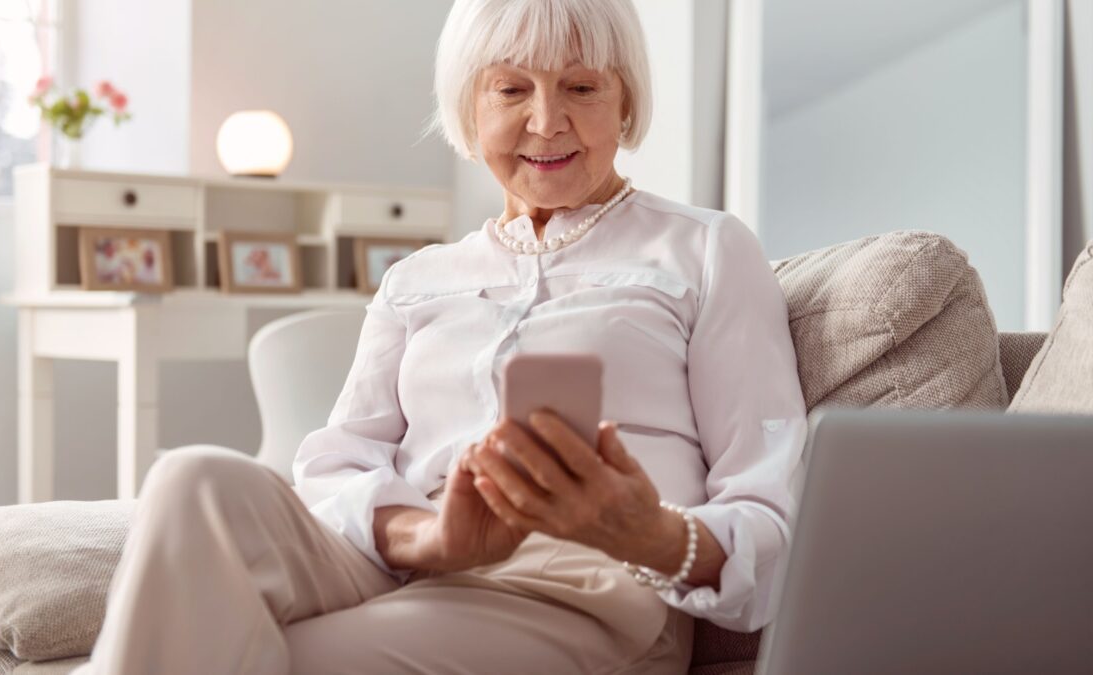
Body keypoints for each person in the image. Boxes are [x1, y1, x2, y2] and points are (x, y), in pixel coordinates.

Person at [73, 0, 808, 672]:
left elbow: (772, 505)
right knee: (193, 478)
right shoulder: (419, 277)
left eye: (581, 88)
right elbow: (339, 461)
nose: (547, 121)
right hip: (401, 557)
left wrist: (647, 530)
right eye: (511, 89)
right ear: (469, 107)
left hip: (573, 589)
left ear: (626, 101)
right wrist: (431, 539)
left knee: (244, 653)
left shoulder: (705, 249)